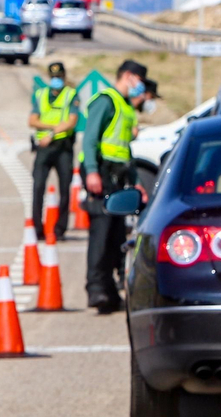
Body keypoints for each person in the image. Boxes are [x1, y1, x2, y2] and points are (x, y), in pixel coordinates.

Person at [81, 59, 156, 313]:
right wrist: (92, 172)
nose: (140, 87)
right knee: (101, 234)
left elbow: (125, 151)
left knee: (115, 236)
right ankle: (96, 289)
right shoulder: (106, 100)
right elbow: (90, 139)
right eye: (139, 81)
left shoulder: (125, 107)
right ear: (128, 76)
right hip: (100, 172)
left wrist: (136, 182)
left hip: (118, 175)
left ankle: (110, 291)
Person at [28, 60, 81, 244]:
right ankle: (37, 227)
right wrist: (51, 126)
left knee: (65, 188)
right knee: (38, 186)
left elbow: (71, 121)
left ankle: (60, 229)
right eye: (53, 77)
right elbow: (32, 120)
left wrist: (51, 132)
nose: (56, 80)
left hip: (63, 147)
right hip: (44, 147)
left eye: (59, 77)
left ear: (64, 77)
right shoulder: (41, 94)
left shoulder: (71, 95)